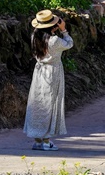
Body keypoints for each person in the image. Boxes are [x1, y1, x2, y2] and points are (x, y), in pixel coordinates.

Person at [24, 9, 73, 151]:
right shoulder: (55, 40)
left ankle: (38, 140)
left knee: (38, 103)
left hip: (39, 71)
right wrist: (64, 30)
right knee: (50, 104)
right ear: (53, 26)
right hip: (53, 72)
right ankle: (46, 141)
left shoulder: (34, 37)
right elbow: (69, 44)